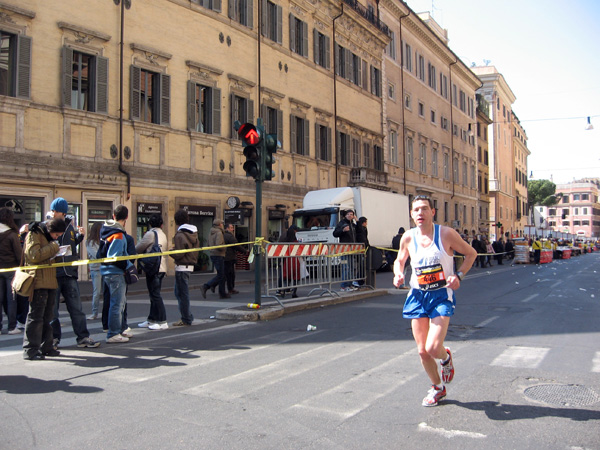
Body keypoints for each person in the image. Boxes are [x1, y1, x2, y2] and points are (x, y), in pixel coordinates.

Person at [393, 195, 477, 407]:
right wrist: (398, 274)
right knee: (422, 350)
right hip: (417, 295)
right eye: (416, 210)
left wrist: (458, 276)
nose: (420, 213)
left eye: (424, 209)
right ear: (411, 215)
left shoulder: (446, 234)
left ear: (433, 212)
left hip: (441, 295)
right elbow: (400, 260)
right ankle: (437, 387)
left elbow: (471, 254)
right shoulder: (408, 237)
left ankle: (445, 357)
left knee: (432, 348)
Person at [49, 198, 100, 349]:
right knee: (53, 311)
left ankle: (83, 337)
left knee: (76, 308)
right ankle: (53, 338)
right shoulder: (48, 226)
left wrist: (80, 237)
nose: (53, 213)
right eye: (52, 210)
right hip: (54, 273)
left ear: (63, 213)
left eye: (55, 211)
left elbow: (71, 246)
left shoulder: (70, 227)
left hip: (69, 273)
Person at [22, 218, 67, 360]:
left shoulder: (47, 238)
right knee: (36, 317)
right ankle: (30, 349)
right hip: (38, 281)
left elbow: (46, 256)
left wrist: (58, 254)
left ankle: (46, 346)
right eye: (56, 235)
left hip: (50, 281)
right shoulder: (34, 233)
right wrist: (54, 247)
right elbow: (34, 255)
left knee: (48, 317)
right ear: (50, 230)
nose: (56, 238)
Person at [100, 205, 134, 343]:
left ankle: (118, 330)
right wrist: (128, 266)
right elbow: (116, 256)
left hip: (106, 271)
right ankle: (114, 333)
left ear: (114, 215)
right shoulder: (118, 233)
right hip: (116, 272)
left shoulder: (106, 231)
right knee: (117, 304)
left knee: (116, 303)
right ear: (126, 218)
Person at [136, 214, 169, 330]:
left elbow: (138, 248)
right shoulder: (163, 234)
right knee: (154, 294)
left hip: (153, 268)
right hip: (161, 267)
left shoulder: (150, 234)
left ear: (150, 224)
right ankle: (152, 319)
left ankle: (162, 320)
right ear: (161, 224)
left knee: (155, 294)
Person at [170, 209, 200, 327]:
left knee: (182, 293)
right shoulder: (194, 233)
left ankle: (186, 318)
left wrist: (170, 252)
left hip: (182, 266)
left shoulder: (180, 235)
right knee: (180, 292)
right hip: (189, 265)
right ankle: (187, 317)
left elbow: (179, 254)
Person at [0, 207, 23, 335]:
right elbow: (19, 254)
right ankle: (12, 326)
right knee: (11, 299)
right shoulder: (12, 235)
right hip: (11, 269)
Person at [201, 219, 229, 299]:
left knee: (221, 274)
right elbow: (219, 245)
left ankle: (220, 291)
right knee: (221, 275)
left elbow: (208, 243)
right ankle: (207, 286)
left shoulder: (211, 232)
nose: (223, 225)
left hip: (213, 254)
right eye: (222, 224)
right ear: (220, 225)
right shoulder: (219, 233)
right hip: (219, 254)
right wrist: (225, 247)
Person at [333, 209, 357, 291]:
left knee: (351, 267)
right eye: (348, 214)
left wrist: (359, 222)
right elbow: (335, 233)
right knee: (345, 267)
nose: (350, 215)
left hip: (352, 250)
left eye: (351, 214)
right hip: (344, 250)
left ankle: (349, 285)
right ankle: (344, 286)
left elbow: (359, 233)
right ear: (345, 215)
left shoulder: (353, 225)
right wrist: (343, 230)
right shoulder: (342, 223)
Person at [85, 222, 103, 320]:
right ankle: (94, 312)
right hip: (96, 268)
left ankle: (103, 312)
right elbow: (97, 255)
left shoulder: (102, 241)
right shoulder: (90, 242)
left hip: (104, 267)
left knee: (105, 291)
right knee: (97, 291)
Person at [278, 225, 300, 298]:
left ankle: (283, 289)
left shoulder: (285, 238)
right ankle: (294, 292)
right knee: (296, 277)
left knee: (285, 276)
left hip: (286, 261)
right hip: (294, 261)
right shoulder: (295, 242)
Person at [223, 223, 243, 295]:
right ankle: (230, 288)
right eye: (231, 227)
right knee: (229, 274)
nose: (233, 229)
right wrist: (244, 251)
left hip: (228, 257)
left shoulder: (226, 235)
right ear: (227, 228)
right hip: (229, 257)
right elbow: (236, 245)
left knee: (228, 274)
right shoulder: (229, 236)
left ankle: (230, 288)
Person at [355, 216, 369, 287]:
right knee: (361, 265)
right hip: (361, 250)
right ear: (363, 223)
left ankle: (361, 280)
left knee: (362, 265)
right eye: (366, 222)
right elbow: (363, 238)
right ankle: (358, 280)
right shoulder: (360, 230)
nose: (367, 224)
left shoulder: (364, 229)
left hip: (364, 248)